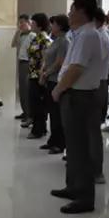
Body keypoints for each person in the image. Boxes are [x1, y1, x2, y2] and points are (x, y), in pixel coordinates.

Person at [51, 0, 104, 214]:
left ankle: (84, 198)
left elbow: (76, 69)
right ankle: (73, 187)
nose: (69, 13)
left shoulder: (89, 35)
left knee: (80, 148)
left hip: (79, 96)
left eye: (72, 9)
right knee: (73, 146)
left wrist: (58, 88)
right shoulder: (81, 33)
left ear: (82, 11)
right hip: (74, 95)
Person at [40, 14, 70, 154]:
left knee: (57, 113)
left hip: (56, 80)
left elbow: (59, 62)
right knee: (52, 113)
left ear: (60, 26)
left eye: (54, 24)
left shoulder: (64, 41)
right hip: (50, 79)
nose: (51, 26)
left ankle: (60, 143)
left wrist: (46, 73)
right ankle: (53, 140)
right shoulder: (56, 40)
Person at [94, 8, 109, 184]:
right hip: (95, 83)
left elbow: (91, 63)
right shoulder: (96, 35)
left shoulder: (101, 37)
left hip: (97, 83)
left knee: (92, 129)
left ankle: (96, 171)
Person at [26, 13, 52, 139]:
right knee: (34, 103)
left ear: (40, 25)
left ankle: (38, 130)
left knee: (38, 104)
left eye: (33, 23)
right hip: (33, 74)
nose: (31, 25)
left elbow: (45, 59)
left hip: (39, 75)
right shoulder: (36, 38)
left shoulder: (44, 39)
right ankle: (39, 127)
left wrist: (42, 74)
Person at [12, 15, 35, 121]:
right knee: (22, 89)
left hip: (28, 63)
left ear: (28, 22)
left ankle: (29, 113)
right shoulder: (21, 35)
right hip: (21, 62)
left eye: (22, 22)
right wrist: (18, 32)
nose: (20, 24)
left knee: (27, 89)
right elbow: (13, 44)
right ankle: (25, 111)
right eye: (19, 22)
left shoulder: (32, 35)